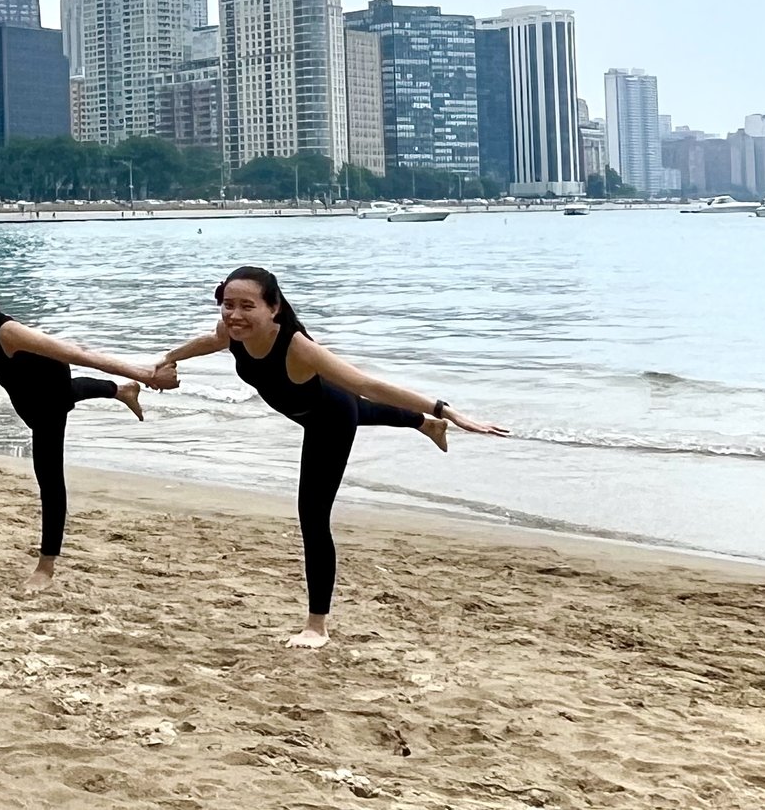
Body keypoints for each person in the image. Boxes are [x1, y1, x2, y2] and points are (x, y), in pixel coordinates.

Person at [152, 265, 509, 647]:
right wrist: (169, 357)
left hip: (329, 420)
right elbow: (212, 340)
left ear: (273, 308)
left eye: (246, 306)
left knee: (314, 515)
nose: (235, 314)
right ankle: (424, 426)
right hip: (314, 407)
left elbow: (368, 384)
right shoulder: (233, 331)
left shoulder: (297, 346)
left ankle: (316, 626)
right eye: (228, 305)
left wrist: (446, 409)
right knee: (365, 413)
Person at [0, 267, 158, 589]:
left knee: (49, 474)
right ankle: (121, 391)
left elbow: (81, 354)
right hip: (19, 390)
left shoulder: (8, 332)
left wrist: (146, 372)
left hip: (48, 382)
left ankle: (46, 567)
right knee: (70, 395)